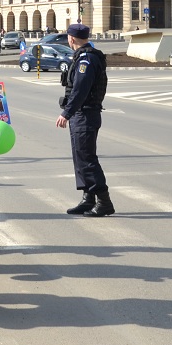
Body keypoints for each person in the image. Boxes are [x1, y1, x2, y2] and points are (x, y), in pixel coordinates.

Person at [56, 23, 113, 217]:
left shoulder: (86, 60)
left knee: (87, 158)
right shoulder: (85, 56)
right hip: (83, 114)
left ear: (71, 39)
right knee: (80, 157)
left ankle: (104, 201)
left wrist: (66, 113)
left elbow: (80, 90)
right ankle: (88, 199)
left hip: (85, 113)